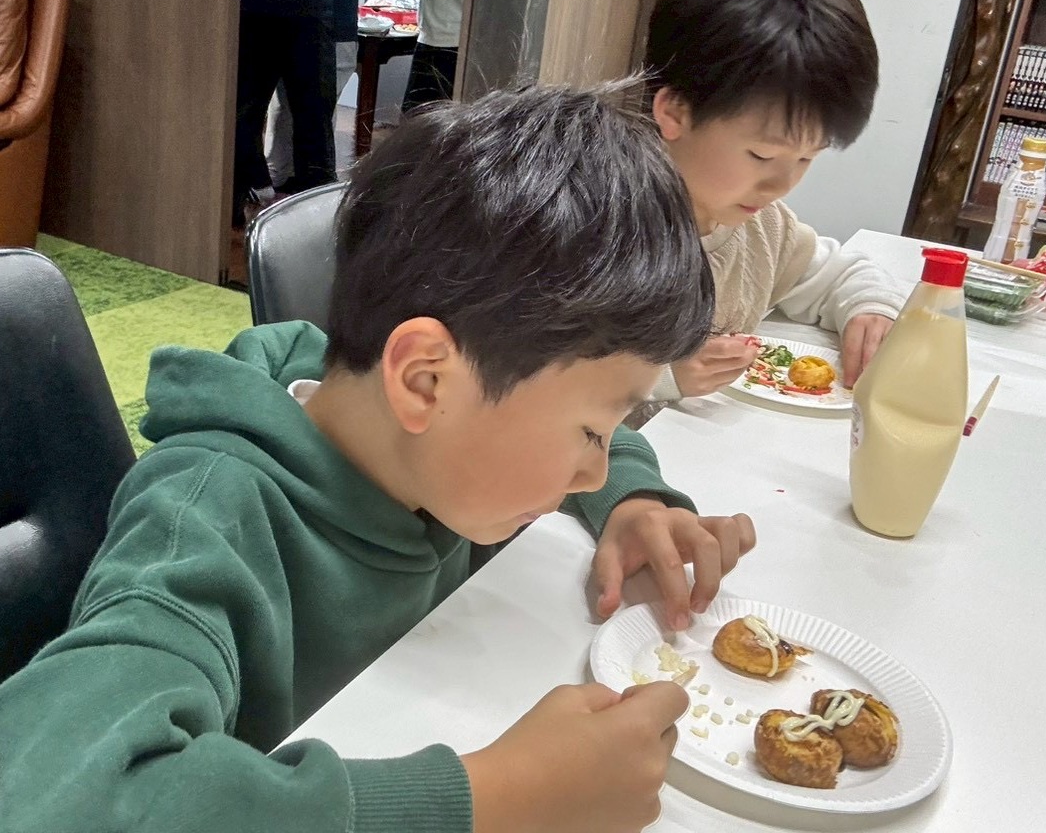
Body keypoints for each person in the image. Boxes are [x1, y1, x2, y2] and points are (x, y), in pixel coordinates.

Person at [0, 84, 755, 833]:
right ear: (424, 381)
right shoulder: (203, 525)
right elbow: (50, 797)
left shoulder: (426, 441)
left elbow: (587, 426)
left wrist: (632, 499)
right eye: (590, 435)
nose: (594, 468)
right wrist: (492, 799)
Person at [644, 0, 905, 401]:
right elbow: (536, 378)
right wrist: (656, 378)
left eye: (807, 158)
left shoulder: (763, 231)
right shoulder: (598, 228)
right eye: (762, 154)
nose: (782, 185)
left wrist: (871, 309)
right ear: (676, 112)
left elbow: (836, 275)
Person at [232, 0, 367, 227]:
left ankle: (242, 201)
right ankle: (315, 221)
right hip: (308, 1)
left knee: (243, 112)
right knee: (313, 121)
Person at [270, 0, 394, 196]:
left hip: (269, 17)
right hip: (333, 20)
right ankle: (302, 197)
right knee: (317, 117)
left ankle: (275, 185)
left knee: (284, 108)